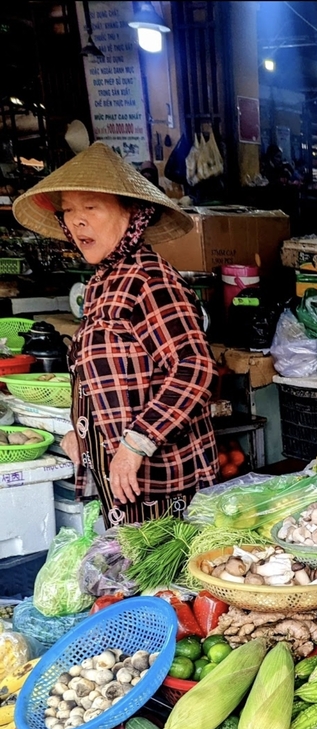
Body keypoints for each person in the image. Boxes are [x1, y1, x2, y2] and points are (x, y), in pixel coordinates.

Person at [13, 142, 219, 527]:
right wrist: (79, 428)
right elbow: (96, 370)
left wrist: (137, 442)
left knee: (163, 580)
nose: (76, 222)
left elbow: (194, 368)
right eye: (69, 211)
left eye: (90, 207)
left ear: (133, 213)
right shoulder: (103, 281)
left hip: (161, 484)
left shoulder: (149, 279)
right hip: (121, 478)